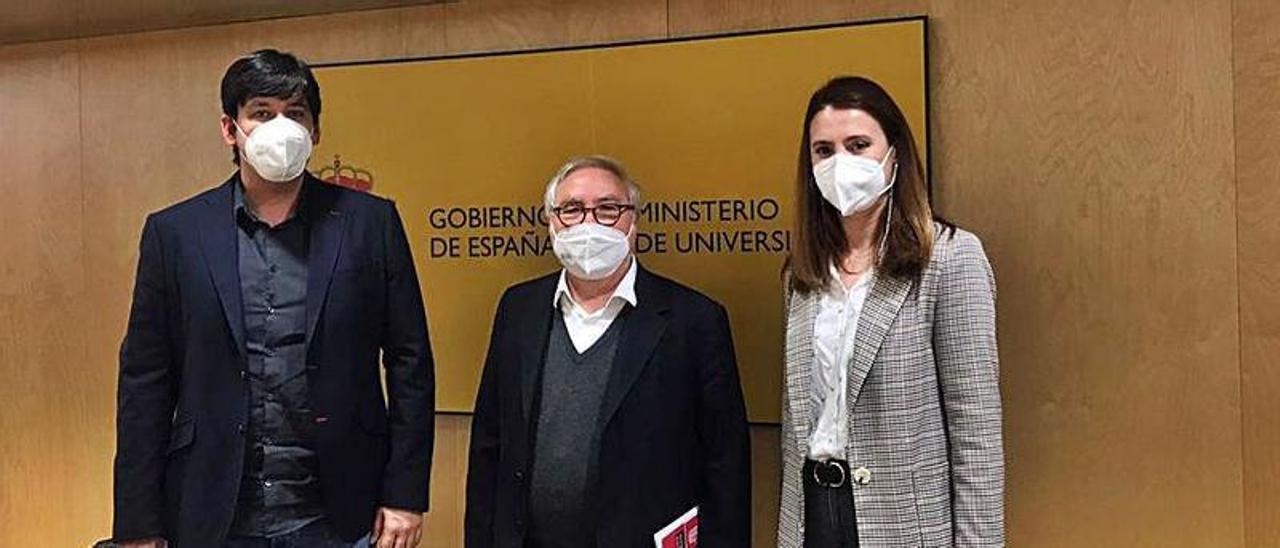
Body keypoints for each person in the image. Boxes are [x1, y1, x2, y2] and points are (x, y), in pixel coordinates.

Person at [112, 49, 435, 548]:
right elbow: (145, 383)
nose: (280, 127)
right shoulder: (174, 233)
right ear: (229, 128)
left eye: (296, 114)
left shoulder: (371, 224)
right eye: (261, 112)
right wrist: (138, 524)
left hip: (340, 510)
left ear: (316, 132)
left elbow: (411, 363)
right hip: (212, 508)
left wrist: (406, 493)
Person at [464, 156, 751, 547]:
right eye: (571, 210)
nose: (588, 224)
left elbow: (725, 463)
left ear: (633, 221)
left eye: (607, 209)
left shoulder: (694, 320)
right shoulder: (519, 309)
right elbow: (489, 445)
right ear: (550, 220)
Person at [777, 76, 1004, 547]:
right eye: (824, 150)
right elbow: (796, 421)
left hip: (905, 521)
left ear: (894, 154)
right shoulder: (801, 272)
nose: (841, 162)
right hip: (813, 512)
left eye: (858, 145)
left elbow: (976, 431)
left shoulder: (949, 258)